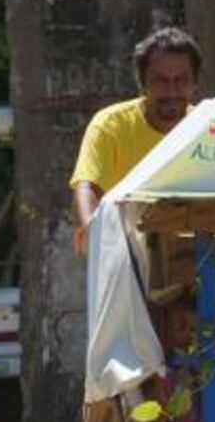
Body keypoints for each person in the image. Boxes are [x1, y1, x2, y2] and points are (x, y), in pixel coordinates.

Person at [70, 26, 202, 253]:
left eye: (181, 80)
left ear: (195, 84)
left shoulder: (208, 127)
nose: (171, 91)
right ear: (142, 83)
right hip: (125, 256)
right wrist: (96, 232)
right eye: (160, 81)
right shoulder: (110, 125)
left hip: (194, 253)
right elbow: (86, 186)